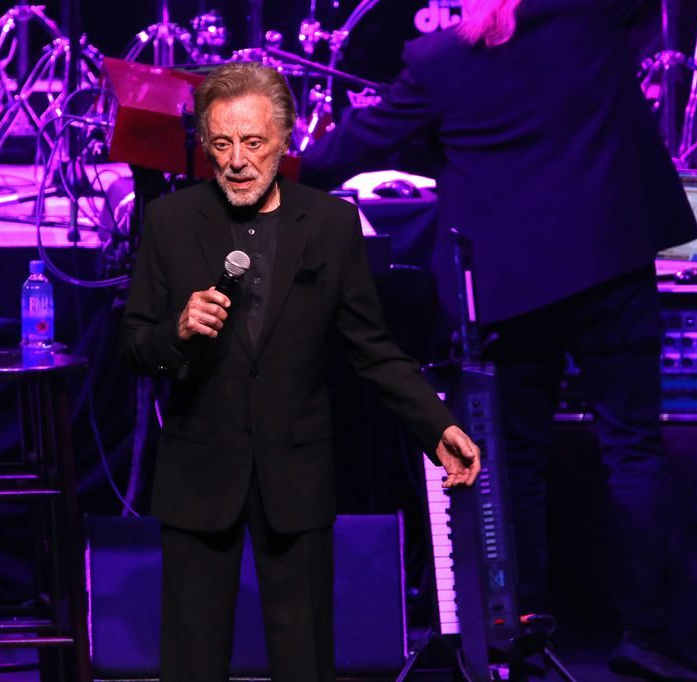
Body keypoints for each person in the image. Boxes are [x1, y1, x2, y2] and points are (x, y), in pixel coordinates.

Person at [299, 0, 697, 679]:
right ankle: (649, 639)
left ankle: (524, 632)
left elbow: (346, 153)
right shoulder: (593, 22)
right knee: (634, 453)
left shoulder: (440, 59)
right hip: (611, 263)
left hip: (512, 286)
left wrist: (250, 156)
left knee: (516, 461)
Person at [120, 61, 482, 681]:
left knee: (304, 661)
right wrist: (175, 332)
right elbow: (132, 348)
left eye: (253, 143)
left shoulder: (332, 224)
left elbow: (374, 348)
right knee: (191, 660)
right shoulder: (171, 222)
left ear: (284, 141)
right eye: (223, 144)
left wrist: (436, 427)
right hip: (200, 474)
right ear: (205, 145)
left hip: (296, 474)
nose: (237, 160)